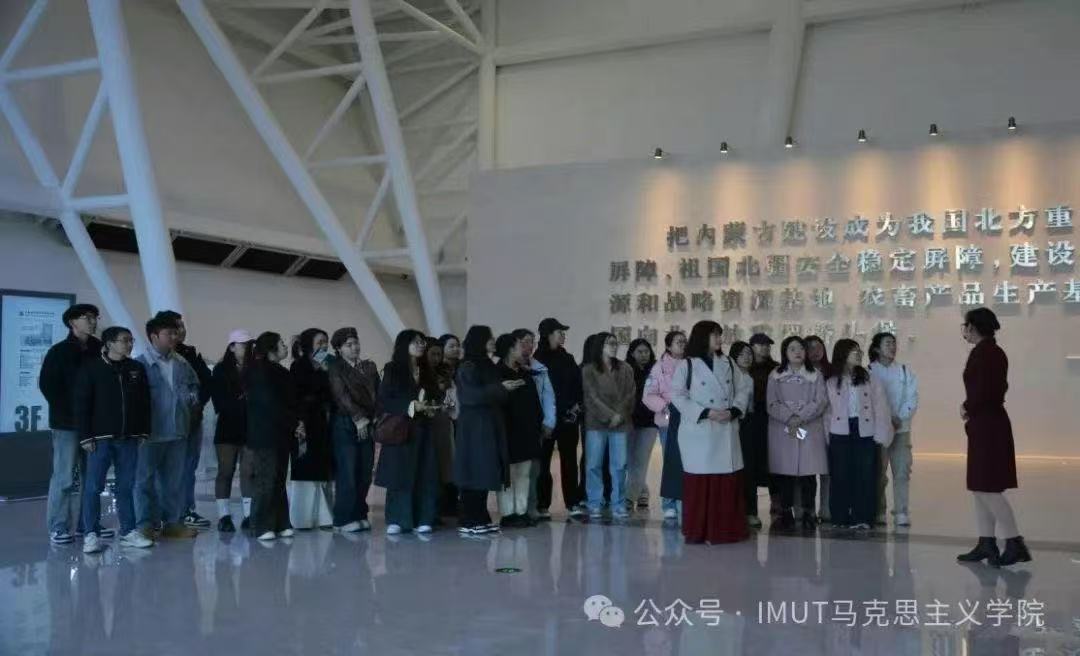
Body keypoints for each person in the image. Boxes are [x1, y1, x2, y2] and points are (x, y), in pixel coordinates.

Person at [956, 308, 1031, 567]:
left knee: (987, 488)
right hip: (986, 423)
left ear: (973, 327)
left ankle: (1014, 542)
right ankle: (986, 542)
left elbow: (987, 391)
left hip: (988, 425)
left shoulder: (987, 353)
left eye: (965, 326)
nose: (964, 331)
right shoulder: (989, 351)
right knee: (980, 487)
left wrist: (967, 407)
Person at [669, 321, 751, 544]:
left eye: (720, 335)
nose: (719, 339)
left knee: (726, 482)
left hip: (726, 427)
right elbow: (677, 395)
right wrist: (706, 412)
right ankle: (699, 530)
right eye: (715, 335)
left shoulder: (728, 362)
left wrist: (734, 410)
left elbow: (743, 389)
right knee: (700, 482)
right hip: (700, 431)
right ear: (702, 337)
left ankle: (726, 529)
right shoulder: (687, 364)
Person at [74, 326, 154, 553]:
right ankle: (90, 533)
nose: (129, 344)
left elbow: (145, 402)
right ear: (109, 344)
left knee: (126, 486)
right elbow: (82, 404)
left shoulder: (135, 368)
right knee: (93, 487)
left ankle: (128, 531)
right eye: (124, 340)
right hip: (99, 438)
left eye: (130, 340)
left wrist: (143, 431)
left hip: (129, 437)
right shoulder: (92, 368)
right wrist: (85, 435)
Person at [39, 303, 101, 545]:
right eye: (87, 317)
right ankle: (58, 526)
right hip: (67, 424)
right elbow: (48, 386)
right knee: (64, 477)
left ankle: (88, 525)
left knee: (92, 477)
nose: (93, 321)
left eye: (95, 317)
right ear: (72, 322)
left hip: (95, 423)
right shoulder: (59, 351)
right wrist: (72, 412)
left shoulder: (99, 349)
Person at [135, 314, 201, 540]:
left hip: (177, 431)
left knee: (174, 481)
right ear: (154, 336)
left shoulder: (182, 363)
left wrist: (191, 412)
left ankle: (173, 523)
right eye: (168, 333)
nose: (174, 337)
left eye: (175, 333)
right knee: (144, 480)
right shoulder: (140, 365)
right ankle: (144, 524)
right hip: (150, 433)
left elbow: (194, 391)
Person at [375, 330, 440, 535]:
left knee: (425, 472)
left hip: (423, 427)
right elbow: (385, 399)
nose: (421, 345)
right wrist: (411, 405)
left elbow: (434, 395)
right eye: (416, 342)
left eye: (422, 342)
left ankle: (424, 517)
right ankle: (397, 518)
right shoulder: (393, 368)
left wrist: (431, 407)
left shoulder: (426, 369)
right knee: (399, 473)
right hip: (400, 428)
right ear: (404, 345)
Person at [454, 326, 518, 534]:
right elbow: (469, 396)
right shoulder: (468, 366)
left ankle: (480, 516)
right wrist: (501, 388)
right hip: (475, 427)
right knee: (474, 471)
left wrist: (503, 389)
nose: (493, 340)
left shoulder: (486, 364)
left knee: (484, 470)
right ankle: (469, 520)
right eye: (489, 337)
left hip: (486, 424)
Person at [824, 339, 893, 530]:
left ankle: (862, 516)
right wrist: (827, 437)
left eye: (859, 351)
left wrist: (881, 435)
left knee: (865, 474)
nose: (859, 354)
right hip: (839, 432)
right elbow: (827, 412)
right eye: (854, 351)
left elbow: (881, 408)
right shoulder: (831, 382)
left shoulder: (870, 379)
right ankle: (839, 517)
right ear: (842, 354)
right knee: (840, 475)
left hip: (865, 431)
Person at [154, 310, 214, 530]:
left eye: (181, 326)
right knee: (164, 469)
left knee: (188, 467)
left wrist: (196, 407)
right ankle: (162, 513)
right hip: (164, 423)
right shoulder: (154, 357)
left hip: (191, 420)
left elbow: (205, 383)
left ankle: (185, 510)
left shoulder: (190, 354)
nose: (180, 331)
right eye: (175, 327)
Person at [766, 336, 829, 531]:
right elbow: (771, 403)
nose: (797, 352)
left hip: (808, 428)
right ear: (785, 352)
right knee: (785, 475)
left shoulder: (815, 375)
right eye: (792, 349)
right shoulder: (775, 375)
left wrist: (801, 416)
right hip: (783, 429)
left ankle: (809, 512)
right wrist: (789, 417)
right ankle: (786, 512)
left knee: (808, 475)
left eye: (801, 348)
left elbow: (820, 401)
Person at [245, 332, 301, 541]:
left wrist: (296, 422)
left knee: (279, 479)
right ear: (271, 349)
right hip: (265, 433)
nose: (285, 347)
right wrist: (293, 421)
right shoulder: (259, 372)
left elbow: (290, 401)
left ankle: (281, 522)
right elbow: (270, 404)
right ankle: (260, 525)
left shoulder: (281, 371)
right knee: (266, 479)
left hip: (282, 432)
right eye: (281, 343)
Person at [326, 327, 380, 533]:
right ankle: (343, 518)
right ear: (339, 349)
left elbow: (378, 393)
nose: (354, 347)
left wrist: (374, 416)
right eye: (349, 345)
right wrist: (358, 418)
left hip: (368, 421)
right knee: (347, 471)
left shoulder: (369, 366)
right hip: (346, 423)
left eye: (356, 343)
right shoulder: (335, 367)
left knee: (365, 470)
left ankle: (359, 513)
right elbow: (341, 395)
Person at [532, 318, 585, 518]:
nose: (563, 335)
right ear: (548, 334)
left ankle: (572, 502)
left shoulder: (567, 358)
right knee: (543, 463)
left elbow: (578, 386)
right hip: (546, 420)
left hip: (568, 419)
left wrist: (576, 408)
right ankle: (542, 503)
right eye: (559, 332)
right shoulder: (536, 360)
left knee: (569, 461)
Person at [581, 332, 636, 519]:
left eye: (615, 343)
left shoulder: (626, 368)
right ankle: (594, 503)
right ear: (600, 346)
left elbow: (631, 394)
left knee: (620, 465)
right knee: (593, 465)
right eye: (609, 343)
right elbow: (590, 397)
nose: (614, 346)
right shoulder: (588, 370)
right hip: (596, 423)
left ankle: (618, 503)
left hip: (621, 423)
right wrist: (610, 415)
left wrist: (619, 415)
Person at [868, 331, 919, 527]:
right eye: (888, 343)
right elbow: (868, 401)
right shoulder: (869, 371)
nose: (892, 347)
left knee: (902, 471)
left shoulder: (904, 371)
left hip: (901, 430)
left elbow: (912, 397)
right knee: (878, 474)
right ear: (876, 348)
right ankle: (878, 510)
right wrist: (886, 418)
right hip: (878, 431)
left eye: (894, 343)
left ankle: (901, 511)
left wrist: (900, 417)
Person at [494, 333, 543, 528]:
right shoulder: (497, 373)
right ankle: (508, 513)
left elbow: (534, 402)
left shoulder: (524, 372)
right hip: (507, 430)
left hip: (527, 431)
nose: (522, 350)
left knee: (524, 473)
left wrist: (538, 423)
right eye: (518, 347)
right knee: (508, 474)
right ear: (508, 350)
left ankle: (521, 512)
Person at [289, 328, 335, 529]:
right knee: (305, 467)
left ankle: (324, 516)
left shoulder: (329, 365)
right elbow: (297, 396)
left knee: (323, 468)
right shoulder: (298, 366)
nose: (324, 346)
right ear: (309, 345)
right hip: (304, 423)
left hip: (323, 423)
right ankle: (303, 518)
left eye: (326, 342)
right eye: (320, 342)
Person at [210, 330, 253, 532]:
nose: (247, 348)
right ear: (232, 347)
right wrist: (243, 401)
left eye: (249, 344)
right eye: (243, 344)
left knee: (248, 472)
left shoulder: (255, 368)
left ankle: (249, 515)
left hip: (250, 428)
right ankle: (224, 515)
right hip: (227, 428)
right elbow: (220, 401)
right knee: (225, 471)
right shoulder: (221, 369)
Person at [643, 330, 688, 521]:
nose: (682, 344)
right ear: (668, 346)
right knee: (671, 462)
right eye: (678, 342)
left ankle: (684, 500)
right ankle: (669, 503)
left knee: (687, 462)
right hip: (668, 422)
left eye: (684, 341)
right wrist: (665, 407)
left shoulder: (691, 364)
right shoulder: (659, 367)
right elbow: (648, 395)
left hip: (689, 422)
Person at [513, 328, 556, 522]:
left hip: (535, 425)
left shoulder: (540, 369)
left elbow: (548, 397)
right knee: (516, 470)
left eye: (532, 342)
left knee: (534, 470)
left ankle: (531, 507)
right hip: (514, 425)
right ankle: (513, 509)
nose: (529, 346)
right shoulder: (507, 367)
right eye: (524, 341)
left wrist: (549, 422)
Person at [728, 340, 763, 527]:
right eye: (742, 354)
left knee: (749, 469)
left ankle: (750, 512)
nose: (747, 357)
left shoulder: (751, 377)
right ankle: (732, 511)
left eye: (749, 353)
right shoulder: (728, 375)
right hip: (731, 422)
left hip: (749, 425)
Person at [748, 333, 781, 518]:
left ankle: (776, 500)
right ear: (752, 346)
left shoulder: (776, 368)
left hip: (772, 419)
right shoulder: (744, 367)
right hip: (751, 419)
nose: (765, 348)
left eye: (768, 345)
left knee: (773, 460)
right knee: (752, 461)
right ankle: (750, 507)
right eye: (761, 345)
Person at [426, 338, 458, 519]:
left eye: (439, 354)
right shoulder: (419, 374)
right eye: (433, 354)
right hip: (425, 426)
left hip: (443, 425)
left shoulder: (446, 375)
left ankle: (442, 508)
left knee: (444, 468)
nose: (437, 358)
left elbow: (454, 406)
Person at [625, 338, 658, 512]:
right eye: (640, 352)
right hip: (628, 421)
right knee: (630, 461)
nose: (644, 355)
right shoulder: (625, 370)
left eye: (646, 351)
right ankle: (643, 491)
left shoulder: (656, 370)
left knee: (641, 461)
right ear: (632, 353)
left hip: (649, 422)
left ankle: (629, 497)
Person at [804, 335, 833, 522]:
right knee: (806, 471)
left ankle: (826, 508)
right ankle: (806, 509)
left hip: (829, 427)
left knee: (827, 471)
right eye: (811, 348)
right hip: (806, 427)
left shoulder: (833, 372)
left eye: (819, 346)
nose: (815, 351)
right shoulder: (800, 372)